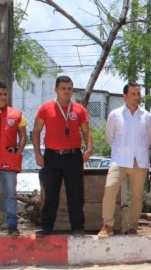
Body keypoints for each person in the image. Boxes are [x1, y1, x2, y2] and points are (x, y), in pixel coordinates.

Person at [32, 76, 93, 236]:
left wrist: (89, 148)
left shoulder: (79, 109)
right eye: (63, 88)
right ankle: (46, 227)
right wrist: (38, 153)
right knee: (51, 193)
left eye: (69, 88)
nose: (67, 91)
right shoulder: (45, 108)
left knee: (76, 193)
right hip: (51, 156)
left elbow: (87, 131)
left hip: (73, 156)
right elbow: (36, 131)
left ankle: (78, 227)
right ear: (56, 90)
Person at [97, 83, 151, 238]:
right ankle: (107, 226)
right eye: (133, 94)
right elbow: (110, 137)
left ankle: (132, 226)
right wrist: (123, 151)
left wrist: (137, 151)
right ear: (125, 96)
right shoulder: (115, 115)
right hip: (119, 161)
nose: (137, 97)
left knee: (136, 196)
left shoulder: (147, 116)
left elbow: (149, 139)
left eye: (138, 94)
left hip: (139, 162)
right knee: (110, 188)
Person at [0, 82, 27, 236]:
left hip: (8, 160)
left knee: (10, 193)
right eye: (0, 94)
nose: (3, 97)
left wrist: (17, 152)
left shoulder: (17, 114)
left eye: (5, 94)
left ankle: (12, 226)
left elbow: (23, 136)